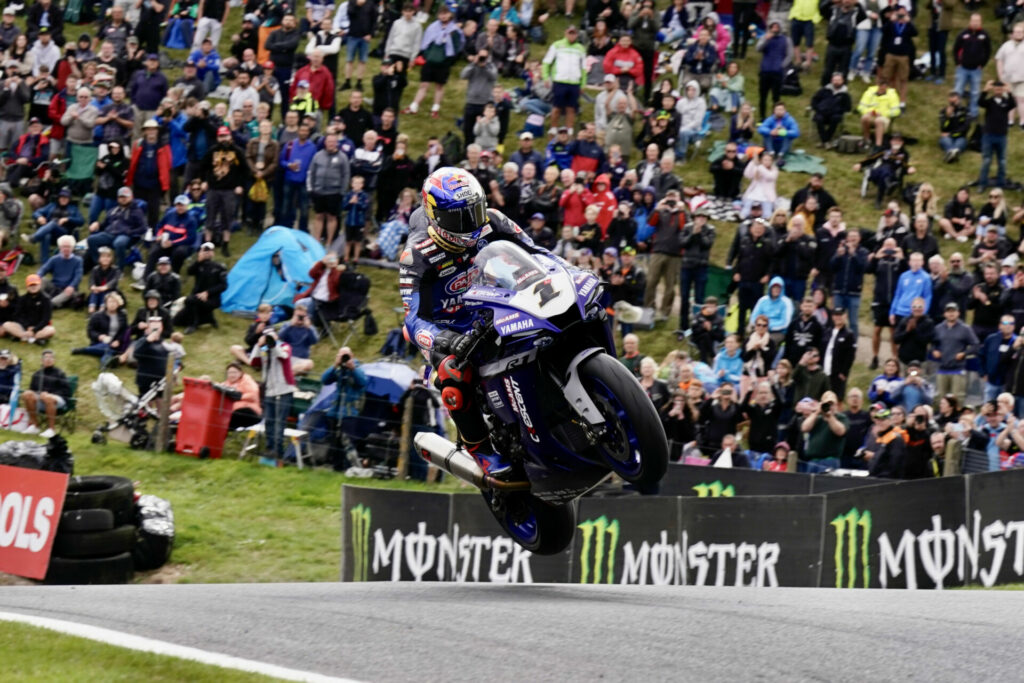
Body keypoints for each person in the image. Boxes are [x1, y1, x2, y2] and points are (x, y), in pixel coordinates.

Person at [399, 167, 560, 478]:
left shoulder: (493, 220)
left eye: (475, 210)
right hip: (449, 328)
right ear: (436, 217)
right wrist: (443, 341)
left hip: (493, 303)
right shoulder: (416, 255)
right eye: (463, 217)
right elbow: (413, 317)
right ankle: (481, 452)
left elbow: (538, 252)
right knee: (452, 374)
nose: (473, 223)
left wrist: (567, 271)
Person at [321, 346, 368, 470]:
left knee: (347, 442)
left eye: (346, 355)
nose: (344, 358)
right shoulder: (337, 370)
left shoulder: (358, 368)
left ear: (352, 356)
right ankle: (335, 466)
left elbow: (363, 382)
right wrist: (334, 365)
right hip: (335, 411)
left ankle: (347, 468)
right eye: (342, 355)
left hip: (349, 412)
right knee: (334, 440)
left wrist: (352, 369)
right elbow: (324, 380)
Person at [641, 189, 685, 323]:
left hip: (675, 254)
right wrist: (658, 207)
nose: (671, 201)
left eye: (674, 197)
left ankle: (665, 312)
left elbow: (684, 227)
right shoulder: (661, 211)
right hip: (658, 250)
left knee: (670, 285)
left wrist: (680, 209)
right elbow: (651, 222)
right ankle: (649, 308)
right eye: (669, 198)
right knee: (651, 281)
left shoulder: (683, 213)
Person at [540, 25, 586, 132]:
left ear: (576, 35)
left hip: (574, 82)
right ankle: (553, 128)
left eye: (573, 33)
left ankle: (569, 129)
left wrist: (583, 83)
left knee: (571, 108)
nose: (571, 35)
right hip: (559, 81)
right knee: (557, 107)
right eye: (570, 33)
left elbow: (584, 68)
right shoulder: (557, 45)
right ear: (565, 33)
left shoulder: (580, 48)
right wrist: (545, 77)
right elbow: (546, 62)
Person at [174, 242, 226, 334]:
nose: (206, 253)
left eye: (209, 251)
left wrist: (208, 292)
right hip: (197, 296)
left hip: (212, 298)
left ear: (213, 253)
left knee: (189, 300)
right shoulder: (198, 265)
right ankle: (209, 319)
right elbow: (189, 272)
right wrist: (199, 260)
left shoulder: (219, 267)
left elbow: (223, 285)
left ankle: (193, 324)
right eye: (204, 250)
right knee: (176, 321)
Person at [932, 302, 980, 400]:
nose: (951, 314)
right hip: (942, 369)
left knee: (958, 398)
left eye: (953, 311)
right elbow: (933, 343)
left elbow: (976, 345)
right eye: (948, 312)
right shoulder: (938, 328)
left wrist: (964, 354)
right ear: (944, 314)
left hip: (958, 369)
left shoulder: (965, 329)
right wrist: (934, 350)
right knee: (941, 398)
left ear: (958, 313)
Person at [975, 80, 1015, 191]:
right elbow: (980, 102)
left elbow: (1013, 104)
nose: (998, 91)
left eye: (1000, 89)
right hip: (989, 135)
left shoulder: (1006, 102)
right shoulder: (989, 102)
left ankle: (1000, 184)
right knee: (986, 160)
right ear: (994, 90)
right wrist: (985, 91)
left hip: (1001, 136)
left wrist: (1010, 92)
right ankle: (982, 184)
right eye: (996, 89)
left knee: (1002, 161)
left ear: (1003, 90)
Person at [19, 349, 69, 438]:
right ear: (42, 360)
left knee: (48, 398)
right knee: (27, 394)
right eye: (46, 357)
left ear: (54, 360)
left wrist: (51, 394)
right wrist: (38, 393)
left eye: (51, 357)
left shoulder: (60, 373)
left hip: (58, 400)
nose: (48, 359)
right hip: (41, 399)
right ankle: (34, 425)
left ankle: (51, 429)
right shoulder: (37, 374)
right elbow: (32, 390)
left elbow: (66, 391)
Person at [953, 14, 992, 119]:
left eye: (977, 21)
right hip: (963, 68)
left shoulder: (984, 35)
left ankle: (973, 113)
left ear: (981, 22)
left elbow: (988, 51)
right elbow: (956, 49)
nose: (975, 23)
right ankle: (956, 110)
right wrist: (958, 63)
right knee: (958, 90)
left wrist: (982, 64)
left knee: (975, 92)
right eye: (973, 20)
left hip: (976, 70)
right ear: (970, 21)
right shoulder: (963, 34)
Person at [879, 5, 917, 107]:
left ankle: (902, 102)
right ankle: (886, 97)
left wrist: (909, 22)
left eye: (903, 13)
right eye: (899, 13)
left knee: (903, 79)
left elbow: (915, 33)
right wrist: (891, 20)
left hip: (903, 56)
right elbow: (883, 30)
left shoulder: (907, 25)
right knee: (886, 77)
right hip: (891, 54)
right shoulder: (892, 24)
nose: (901, 16)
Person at [800, 390, 848, 470]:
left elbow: (840, 431)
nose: (829, 406)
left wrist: (829, 417)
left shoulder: (841, 418)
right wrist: (816, 412)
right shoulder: (816, 418)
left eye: (832, 404)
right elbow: (804, 428)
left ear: (836, 405)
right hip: (813, 461)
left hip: (830, 460)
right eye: (827, 404)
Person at [3, 273, 54, 344]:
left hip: (40, 327)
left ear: (40, 285)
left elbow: (46, 319)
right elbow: (17, 316)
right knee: (6, 325)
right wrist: (27, 327)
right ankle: (31, 338)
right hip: (24, 328)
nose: (33, 287)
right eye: (31, 285)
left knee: (51, 330)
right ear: (27, 287)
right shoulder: (22, 299)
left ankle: (28, 337)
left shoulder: (46, 299)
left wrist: (34, 329)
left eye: (35, 284)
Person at [756, 22, 792, 120]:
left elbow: (789, 55)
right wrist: (766, 40)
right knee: (762, 97)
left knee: (776, 98)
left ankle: (774, 118)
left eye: (777, 27)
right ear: (770, 28)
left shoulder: (786, 39)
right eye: (773, 27)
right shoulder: (765, 37)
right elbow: (758, 49)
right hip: (765, 71)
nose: (775, 29)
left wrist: (781, 66)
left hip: (777, 73)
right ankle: (762, 118)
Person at [37, 234, 82, 310]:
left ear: (72, 248)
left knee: (55, 301)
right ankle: (38, 299)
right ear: (60, 248)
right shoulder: (54, 259)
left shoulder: (78, 260)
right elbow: (43, 269)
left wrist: (71, 286)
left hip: (68, 289)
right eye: (63, 246)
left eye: (68, 246)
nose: (66, 249)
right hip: (55, 286)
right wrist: (38, 276)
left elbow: (78, 276)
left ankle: (47, 304)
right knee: (42, 280)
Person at [866, 404, 908, 478]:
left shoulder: (895, 438)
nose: (879, 422)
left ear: (890, 421)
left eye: (883, 419)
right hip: (876, 479)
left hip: (888, 482)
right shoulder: (881, 438)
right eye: (877, 420)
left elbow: (894, 466)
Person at [823, 307, 856, 396]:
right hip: (824, 370)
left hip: (837, 373)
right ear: (833, 317)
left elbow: (850, 356)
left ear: (845, 316)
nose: (838, 317)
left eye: (840, 315)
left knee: (837, 398)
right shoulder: (827, 331)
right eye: (836, 315)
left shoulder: (849, 334)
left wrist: (844, 372)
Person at [811, 71, 852, 145]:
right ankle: (826, 140)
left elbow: (848, 107)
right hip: (822, 112)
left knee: (836, 118)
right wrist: (818, 108)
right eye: (835, 80)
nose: (836, 82)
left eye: (838, 80)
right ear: (831, 81)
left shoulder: (845, 95)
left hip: (835, 114)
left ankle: (825, 140)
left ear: (842, 81)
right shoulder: (824, 90)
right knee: (818, 118)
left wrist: (838, 110)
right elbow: (814, 101)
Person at [278, 305, 319, 375]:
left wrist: (309, 328)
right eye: (298, 316)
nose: (300, 319)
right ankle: (290, 373)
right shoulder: (287, 325)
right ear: (294, 315)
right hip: (288, 357)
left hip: (301, 360)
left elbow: (315, 341)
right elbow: (280, 337)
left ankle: (288, 374)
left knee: (310, 363)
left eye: (302, 317)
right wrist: (290, 325)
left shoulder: (309, 328)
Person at [893, 297, 935, 365]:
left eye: (920, 307)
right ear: (911, 308)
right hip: (904, 360)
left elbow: (927, 341)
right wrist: (907, 331)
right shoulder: (905, 320)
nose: (917, 309)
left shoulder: (928, 322)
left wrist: (915, 330)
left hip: (920, 360)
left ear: (924, 308)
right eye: (914, 307)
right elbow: (896, 339)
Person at [938, 91, 970, 163]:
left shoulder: (965, 111)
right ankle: (952, 153)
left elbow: (965, 128)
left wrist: (951, 134)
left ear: (959, 100)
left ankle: (950, 154)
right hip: (947, 138)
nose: (953, 104)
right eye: (951, 103)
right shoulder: (943, 112)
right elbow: (943, 128)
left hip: (960, 137)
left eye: (954, 102)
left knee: (960, 142)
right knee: (945, 140)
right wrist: (948, 117)